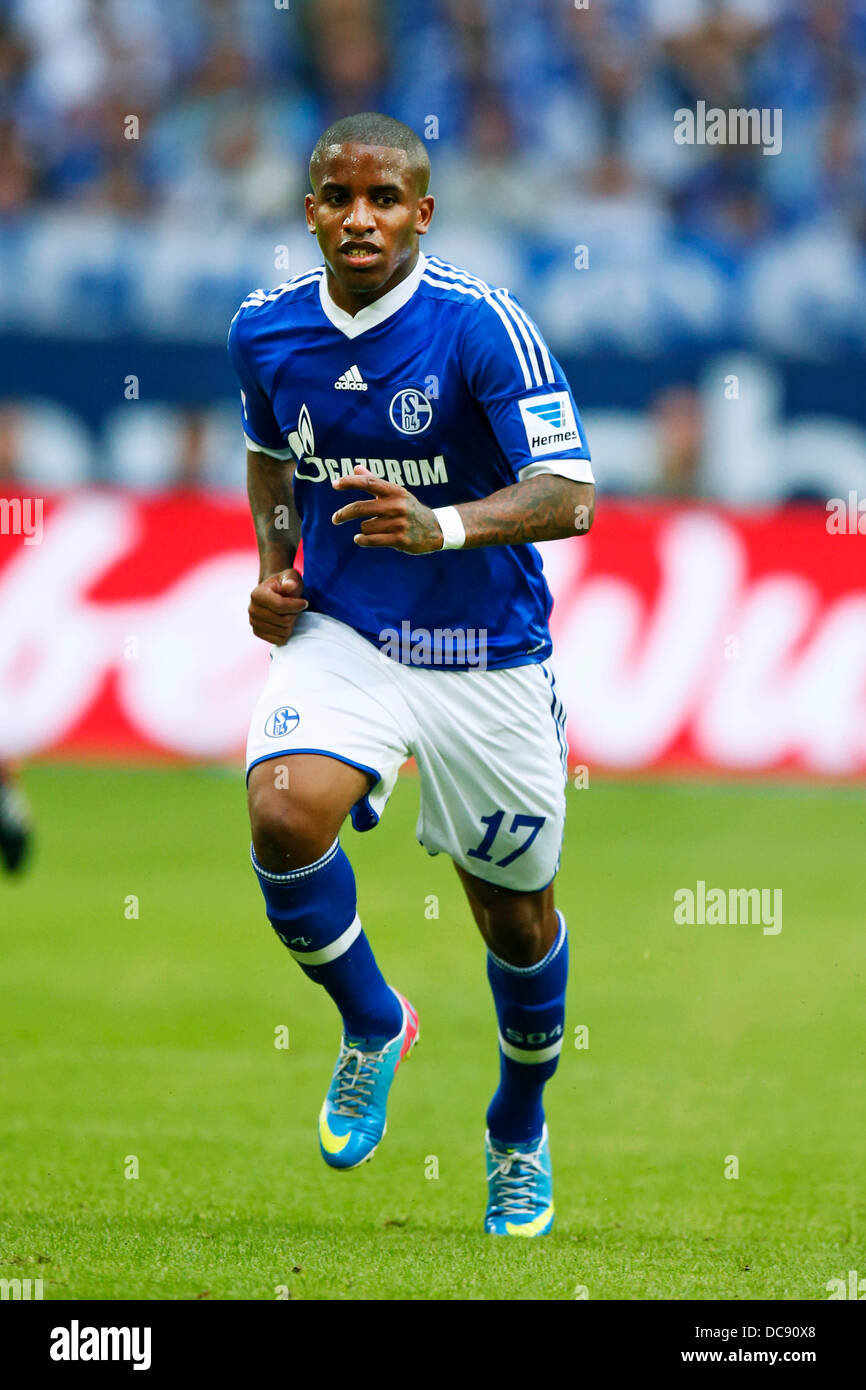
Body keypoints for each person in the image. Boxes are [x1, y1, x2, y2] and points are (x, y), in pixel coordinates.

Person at [227, 112, 595, 1236]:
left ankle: (517, 1125)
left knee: (515, 921)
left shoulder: (484, 328)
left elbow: (570, 494)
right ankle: (373, 1020)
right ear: (311, 210)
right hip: (346, 630)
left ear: (420, 212)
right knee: (283, 816)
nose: (360, 218)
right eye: (338, 197)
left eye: (383, 199)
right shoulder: (263, 330)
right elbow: (268, 451)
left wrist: (438, 527)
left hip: (485, 649)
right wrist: (272, 567)